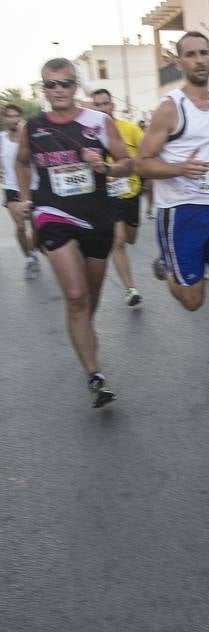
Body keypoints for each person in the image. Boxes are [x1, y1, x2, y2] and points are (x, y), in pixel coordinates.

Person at [136, 31, 209, 403]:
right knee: (192, 301)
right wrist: (180, 168)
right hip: (180, 214)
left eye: (205, 53)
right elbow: (142, 163)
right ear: (179, 62)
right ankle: (168, 267)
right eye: (191, 54)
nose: (200, 60)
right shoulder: (171, 108)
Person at [15, 58, 131, 407]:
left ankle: (84, 333)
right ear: (43, 90)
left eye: (65, 83)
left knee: (89, 303)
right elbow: (21, 161)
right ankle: (95, 375)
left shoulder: (99, 122)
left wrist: (106, 166)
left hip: (96, 219)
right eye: (51, 84)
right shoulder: (33, 127)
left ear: (76, 86)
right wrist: (24, 199)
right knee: (77, 296)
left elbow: (127, 162)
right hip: (53, 215)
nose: (59, 90)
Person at [91, 89, 144, 308]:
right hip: (108, 197)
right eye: (98, 105)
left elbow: (145, 156)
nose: (103, 108)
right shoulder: (90, 134)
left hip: (132, 191)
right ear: (94, 107)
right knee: (118, 240)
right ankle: (130, 289)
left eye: (106, 103)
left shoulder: (130, 129)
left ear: (113, 104)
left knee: (130, 237)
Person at [1, 103, 40, 279]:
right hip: (11, 187)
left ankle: (34, 250)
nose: (13, 119)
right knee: (20, 225)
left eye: (16, 115)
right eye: (9, 116)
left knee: (37, 227)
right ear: (4, 119)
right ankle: (30, 258)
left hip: (33, 187)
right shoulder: (1, 138)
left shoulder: (31, 137)